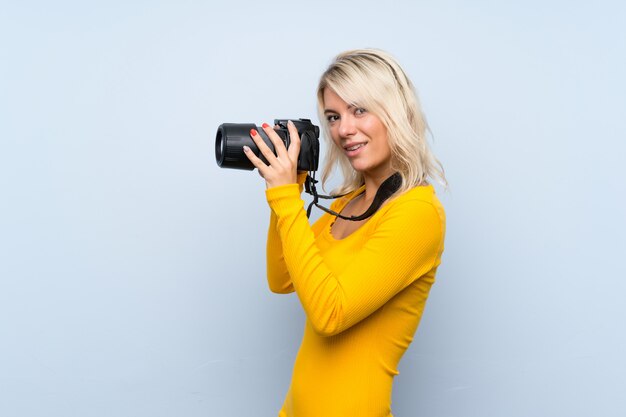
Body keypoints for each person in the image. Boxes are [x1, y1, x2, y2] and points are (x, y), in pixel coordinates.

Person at [243, 48, 447, 417]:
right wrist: (288, 188)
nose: (343, 130)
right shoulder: (345, 202)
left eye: (359, 110)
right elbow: (282, 277)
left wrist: (286, 196)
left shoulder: (417, 213)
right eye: (334, 117)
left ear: (395, 111)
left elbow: (330, 315)